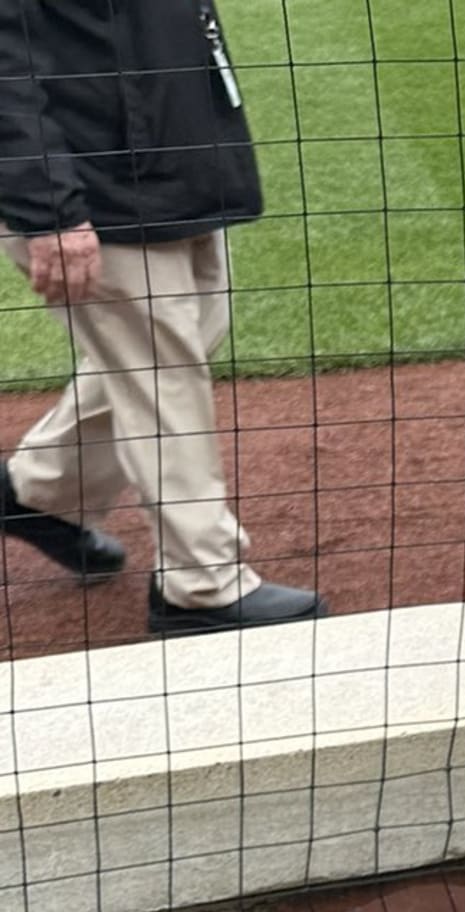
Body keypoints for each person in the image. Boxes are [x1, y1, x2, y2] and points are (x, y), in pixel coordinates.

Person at [0, 0, 326, 635]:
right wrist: (48, 209)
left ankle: (40, 489)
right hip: (93, 180)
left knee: (187, 334)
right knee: (161, 368)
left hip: (169, 160)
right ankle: (200, 583)